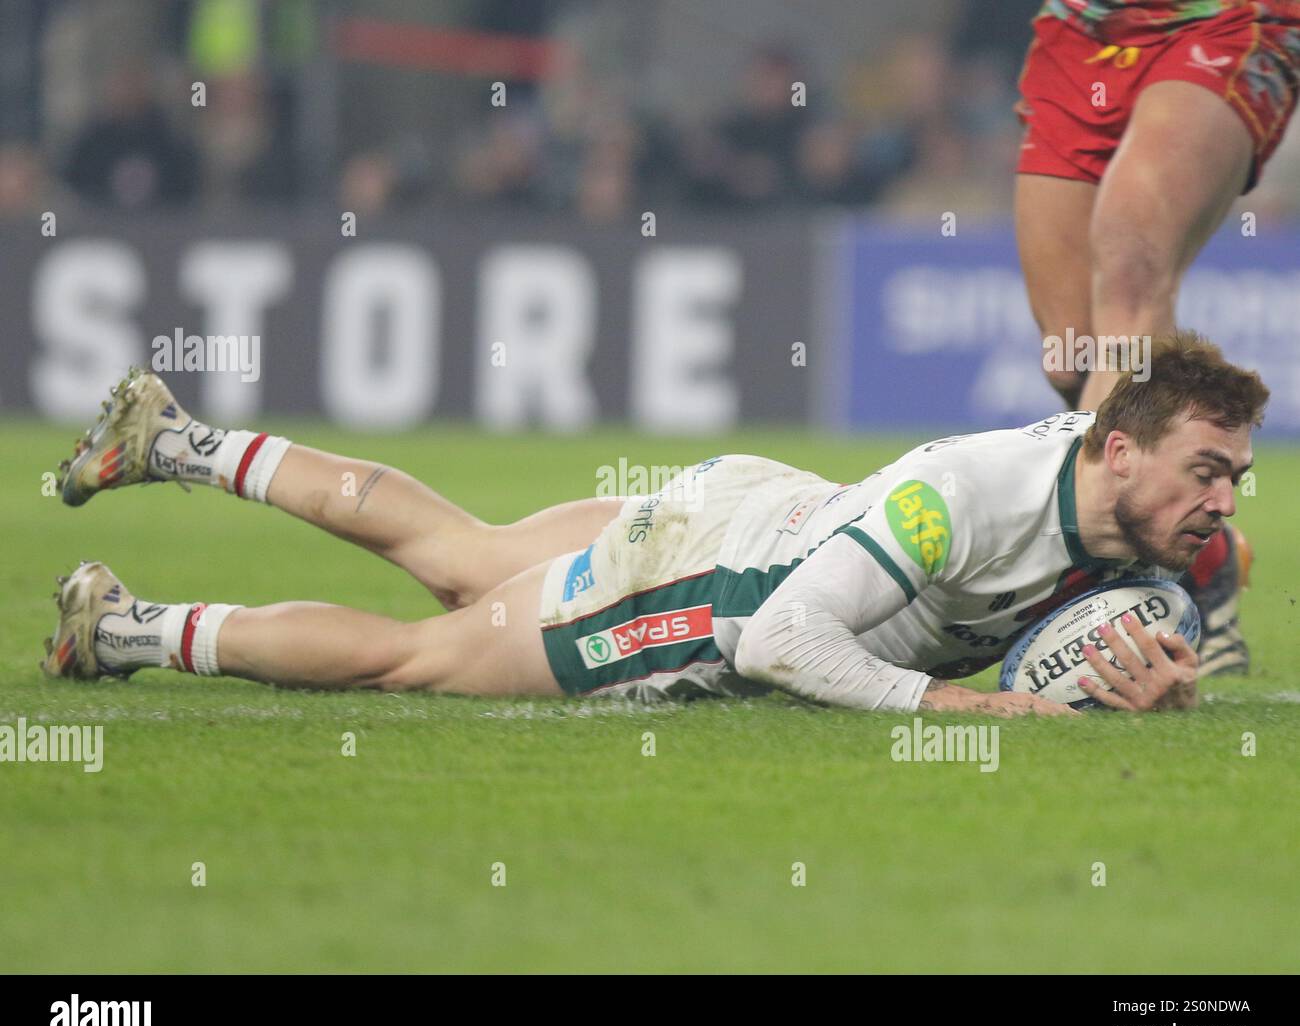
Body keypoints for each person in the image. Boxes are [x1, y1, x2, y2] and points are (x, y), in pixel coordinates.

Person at [43, 334, 1265, 718]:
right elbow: (783, 640)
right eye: (1205, 471)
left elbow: (1207, 572)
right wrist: (975, 704)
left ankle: (173, 443)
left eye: (1234, 475)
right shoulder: (962, 499)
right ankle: (126, 631)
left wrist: (1165, 660)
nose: (1221, 501)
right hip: (712, 584)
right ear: (1115, 449)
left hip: (756, 501)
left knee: (458, 549)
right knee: (419, 647)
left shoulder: (1170, 527)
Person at [1012, 0, 1299, 674]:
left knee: (1134, 265)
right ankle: (1210, 557)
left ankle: (1099, 583)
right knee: (1073, 353)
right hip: (1082, 32)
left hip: (1224, 18)